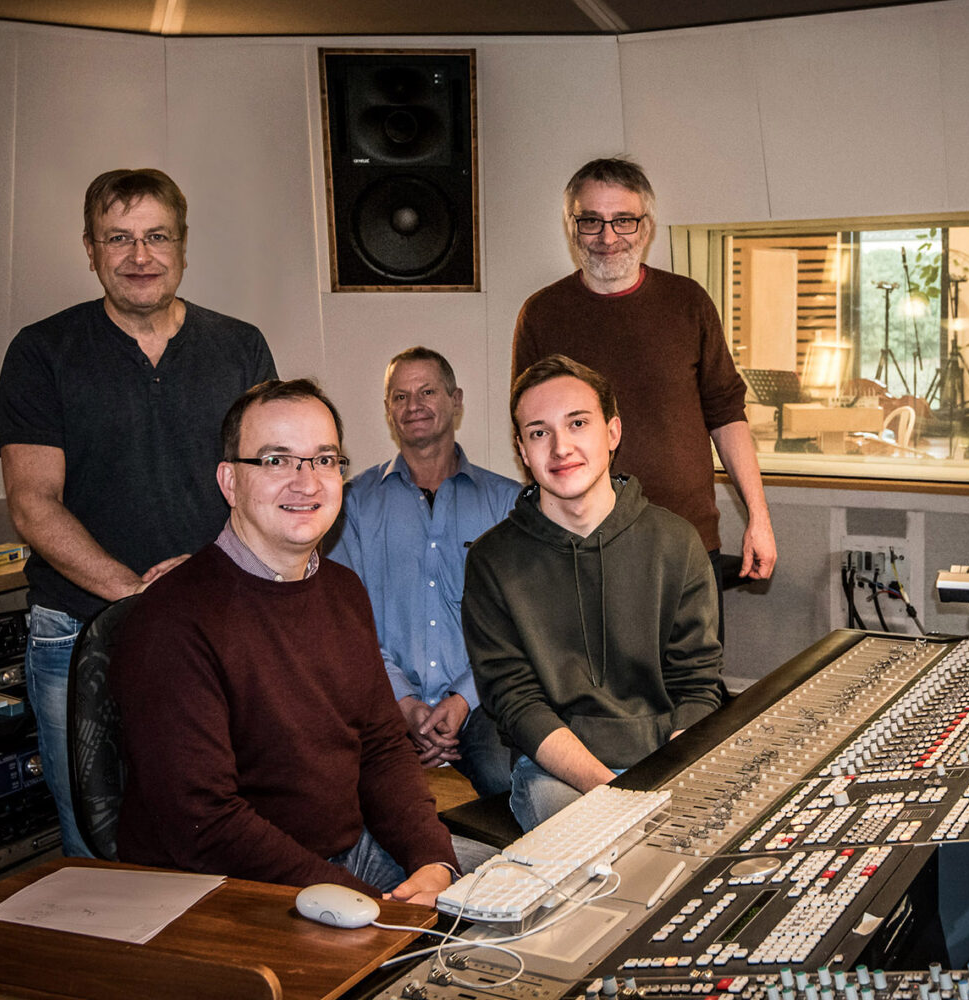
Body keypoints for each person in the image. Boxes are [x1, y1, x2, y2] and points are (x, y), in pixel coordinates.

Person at [0, 168, 276, 857]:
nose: (139, 256)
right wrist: (138, 593)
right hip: (78, 634)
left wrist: (199, 579)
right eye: (118, 238)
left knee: (228, 833)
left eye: (157, 237)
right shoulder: (41, 352)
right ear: (90, 250)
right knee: (100, 853)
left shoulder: (241, 347)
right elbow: (32, 503)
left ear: (183, 246)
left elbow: (270, 481)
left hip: (220, 629)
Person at [111, 379, 459, 901]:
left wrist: (432, 859)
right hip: (226, 891)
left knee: (517, 904)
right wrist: (359, 902)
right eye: (277, 461)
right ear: (230, 481)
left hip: (346, 859)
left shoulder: (343, 591)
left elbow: (383, 749)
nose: (307, 482)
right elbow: (205, 824)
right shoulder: (172, 620)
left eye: (324, 460)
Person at [512, 157, 777, 627]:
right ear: (571, 226)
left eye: (623, 220)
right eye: (591, 220)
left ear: (647, 226)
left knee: (695, 673)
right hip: (579, 549)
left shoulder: (688, 302)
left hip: (687, 541)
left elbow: (726, 414)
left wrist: (758, 516)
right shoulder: (541, 313)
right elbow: (531, 432)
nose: (607, 236)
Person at [462, 355, 724, 830]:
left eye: (578, 423)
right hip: (557, 772)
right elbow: (516, 701)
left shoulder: (676, 543)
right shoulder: (491, 561)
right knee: (597, 843)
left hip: (667, 759)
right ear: (522, 450)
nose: (561, 447)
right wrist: (614, 796)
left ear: (612, 432)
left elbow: (697, 684)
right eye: (539, 432)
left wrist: (673, 781)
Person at [333, 347, 519, 798]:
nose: (413, 405)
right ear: (388, 410)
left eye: (427, 392)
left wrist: (461, 701)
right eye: (400, 397)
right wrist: (402, 702)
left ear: (456, 400)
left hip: (481, 700)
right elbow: (345, 623)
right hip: (381, 697)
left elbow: (519, 624)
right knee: (340, 783)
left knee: (505, 776)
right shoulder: (351, 504)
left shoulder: (507, 503)